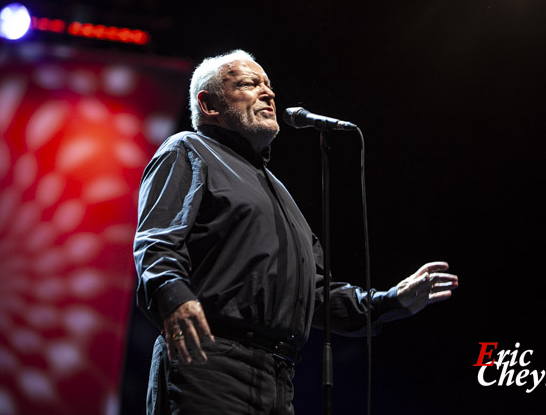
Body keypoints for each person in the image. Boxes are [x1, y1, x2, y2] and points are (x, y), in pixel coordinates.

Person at [133, 49, 458, 414]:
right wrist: (173, 297)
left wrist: (391, 300)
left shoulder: (279, 193)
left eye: (269, 85)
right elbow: (157, 240)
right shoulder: (189, 150)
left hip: (278, 379)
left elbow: (316, 293)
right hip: (207, 361)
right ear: (209, 104)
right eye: (249, 84)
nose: (268, 93)